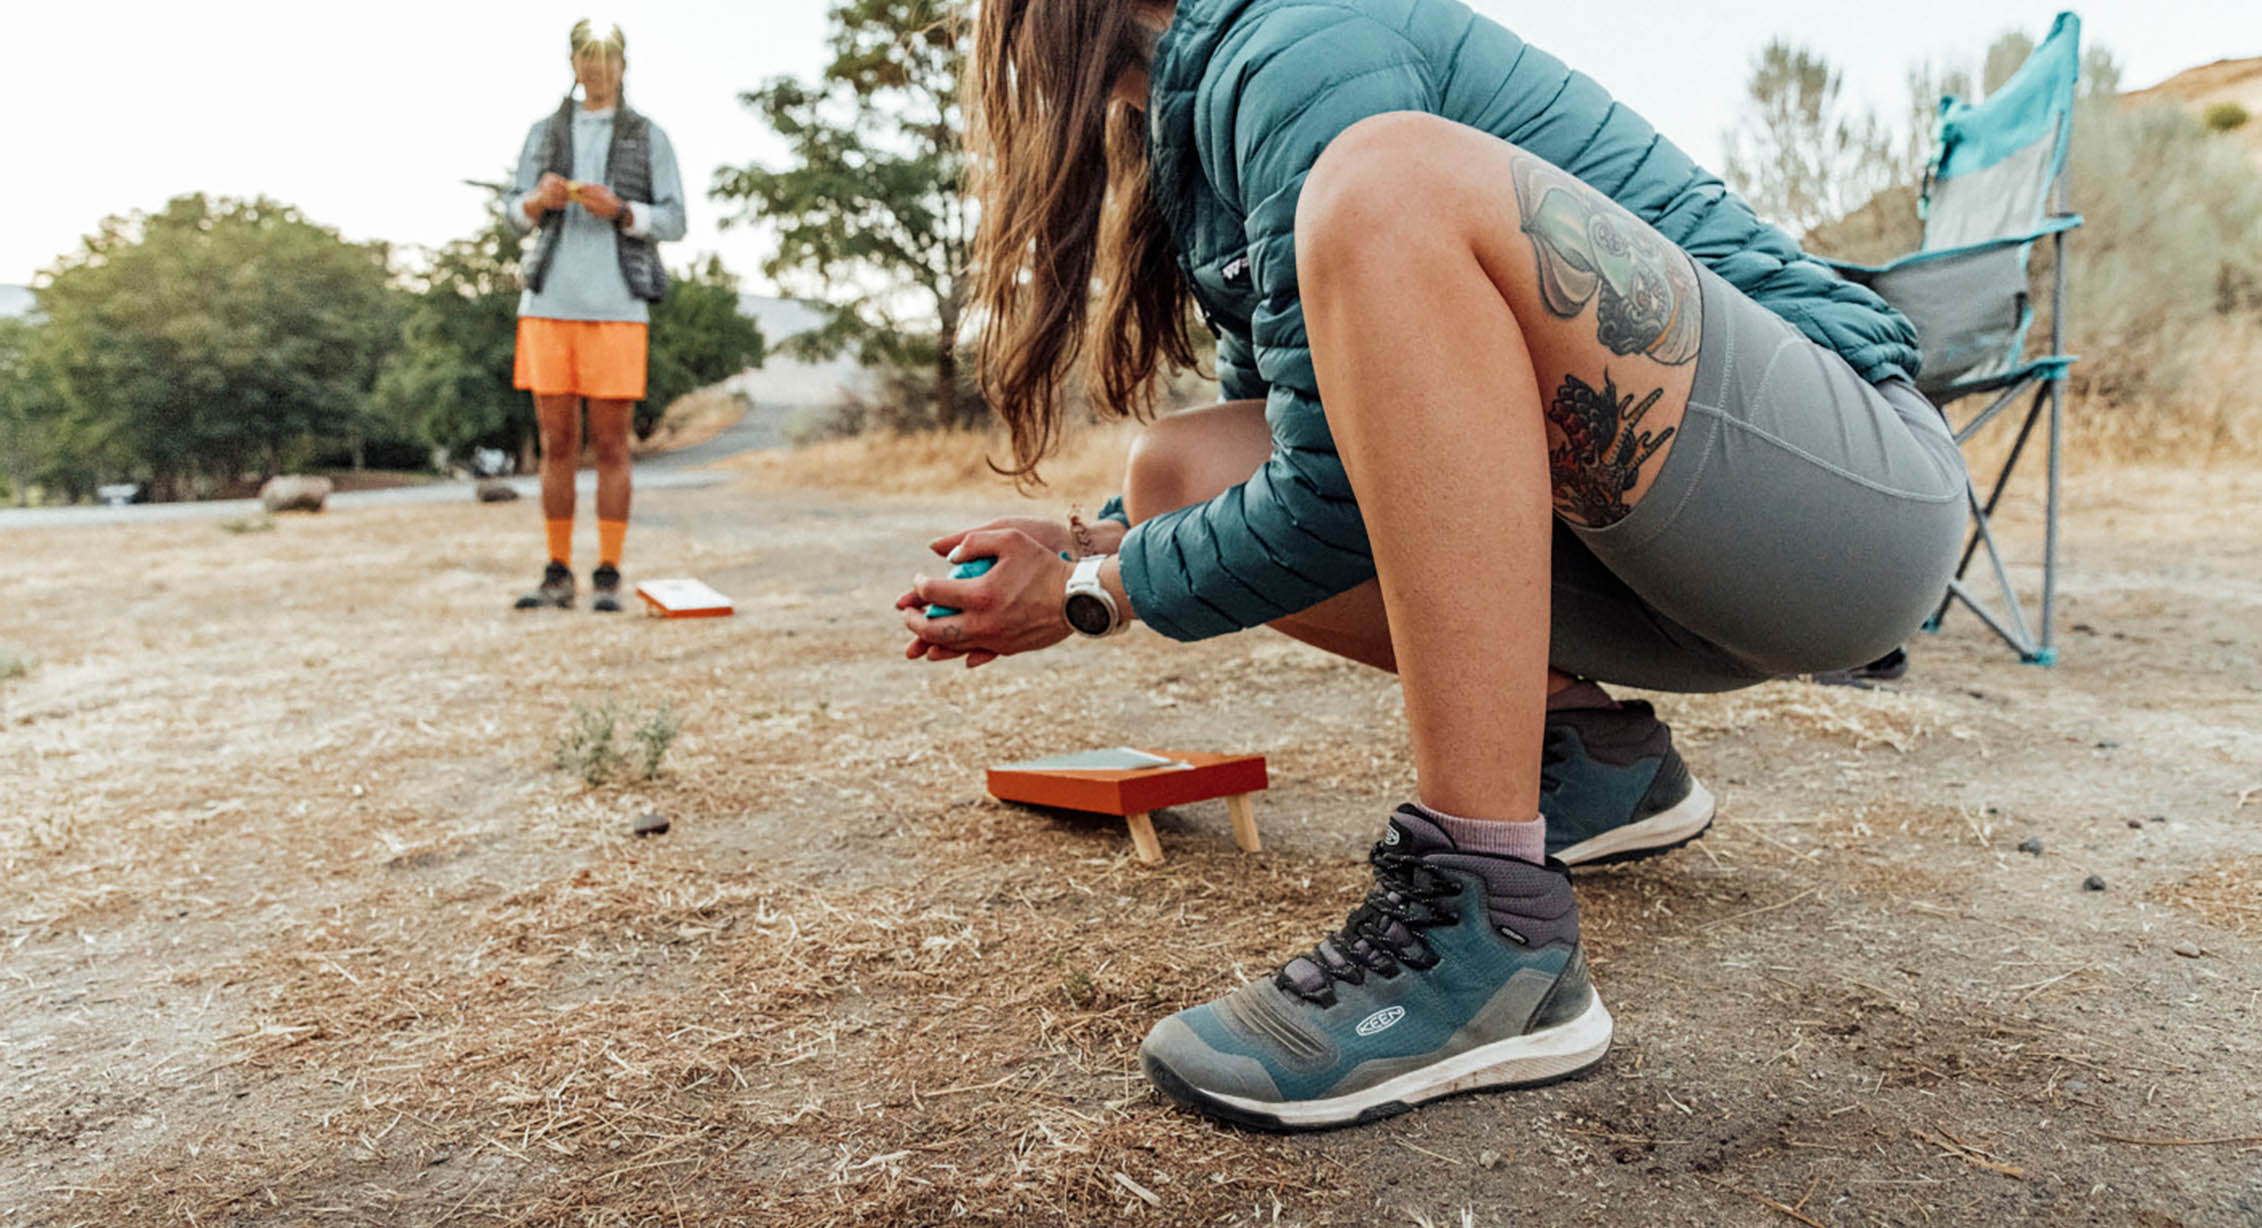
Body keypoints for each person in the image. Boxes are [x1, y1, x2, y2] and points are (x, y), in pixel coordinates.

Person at [901, 0, 1966, 1132]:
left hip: (1841, 507)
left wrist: (1089, 595)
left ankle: (1487, 927)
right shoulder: (1202, 127)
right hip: (1669, 554)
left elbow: (1330, 509)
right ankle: (1590, 757)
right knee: (1177, 472)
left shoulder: (1299, 41)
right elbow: (1312, 440)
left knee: (1387, 182)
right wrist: (1095, 543)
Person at [506, 19, 685, 612]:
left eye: (608, 55)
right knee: (557, 443)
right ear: (574, 62)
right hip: (548, 305)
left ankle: (608, 573)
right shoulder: (544, 132)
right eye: (587, 55)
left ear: (624, 64)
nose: (598, 66)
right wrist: (537, 201)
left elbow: (676, 219)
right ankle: (558, 573)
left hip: (618, 308)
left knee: (613, 446)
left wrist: (624, 210)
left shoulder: (649, 136)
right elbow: (513, 210)